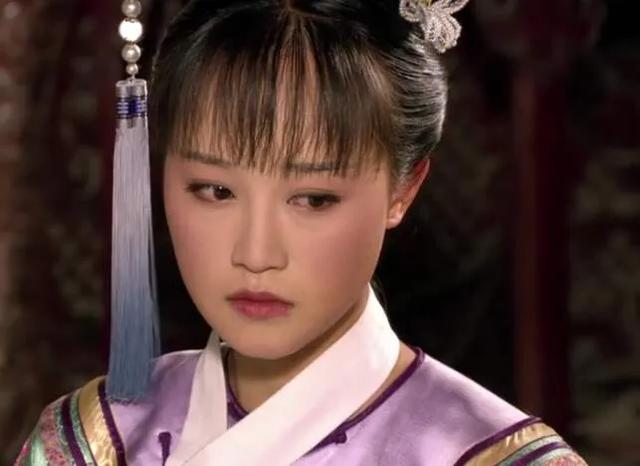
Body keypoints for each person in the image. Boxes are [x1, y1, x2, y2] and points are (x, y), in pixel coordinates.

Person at [15, 0, 587, 464]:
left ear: (403, 190)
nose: (256, 254)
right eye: (214, 191)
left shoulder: (485, 455)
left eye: (313, 199)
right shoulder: (97, 440)